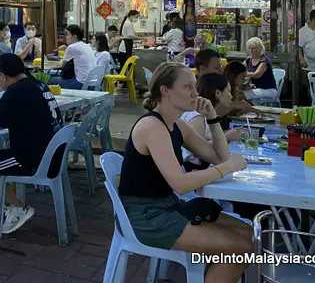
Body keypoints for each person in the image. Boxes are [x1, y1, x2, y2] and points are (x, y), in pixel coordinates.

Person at [119, 63, 251, 282]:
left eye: (194, 86)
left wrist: (212, 118)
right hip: (146, 217)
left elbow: (219, 156)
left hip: (168, 206)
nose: (195, 93)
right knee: (241, 249)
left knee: (249, 234)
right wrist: (225, 169)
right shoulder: (152, 126)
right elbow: (180, 184)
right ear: (166, 91)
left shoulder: (177, 124)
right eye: (187, 86)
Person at [0, 53, 63, 235]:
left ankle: (18, 206)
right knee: (2, 153)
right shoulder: (38, 84)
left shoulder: (17, 91)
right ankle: (11, 204)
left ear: (3, 76)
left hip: (33, 159)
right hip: (52, 155)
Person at [180, 73, 246, 169]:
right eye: (229, 91)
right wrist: (226, 136)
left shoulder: (208, 114)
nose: (231, 96)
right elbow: (194, 150)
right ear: (218, 93)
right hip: (191, 169)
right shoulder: (197, 115)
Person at [48, 25, 96, 90]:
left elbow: (61, 65)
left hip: (81, 84)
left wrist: (61, 58)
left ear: (74, 36)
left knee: (49, 79)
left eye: (67, 35)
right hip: (93, 84)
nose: (66, 37)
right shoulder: (87, 46)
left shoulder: (72, 47)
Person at [242, 37, 279, 104]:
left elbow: (257, 74)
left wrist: (243, 74)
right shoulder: (248, 60)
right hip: (256, 89)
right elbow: (239, 68)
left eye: (254, 48)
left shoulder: (264, 60)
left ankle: (255, 112)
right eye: (249, 48)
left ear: (260, 49)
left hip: (269, 90)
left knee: (247, 94)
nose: (251, 51)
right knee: (240, 92)